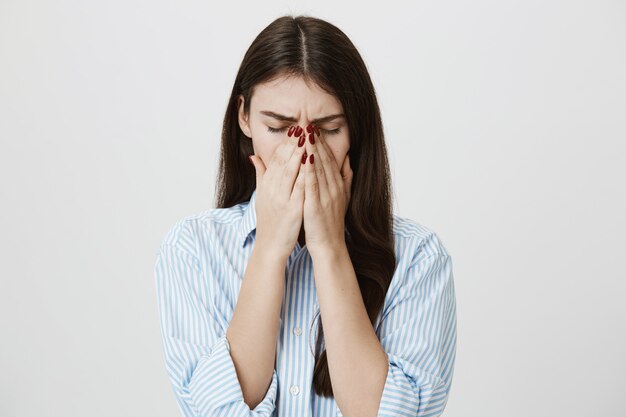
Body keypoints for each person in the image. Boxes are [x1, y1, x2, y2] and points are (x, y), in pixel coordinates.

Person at [154, 14, 456, 417]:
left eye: (328, 129)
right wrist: (270, 247)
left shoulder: (419, 258)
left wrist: (330, 248)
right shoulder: (192, 249)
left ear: (355, 130)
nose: (304, 152)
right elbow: (218, 411)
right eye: (279, 127)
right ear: (244, 117)